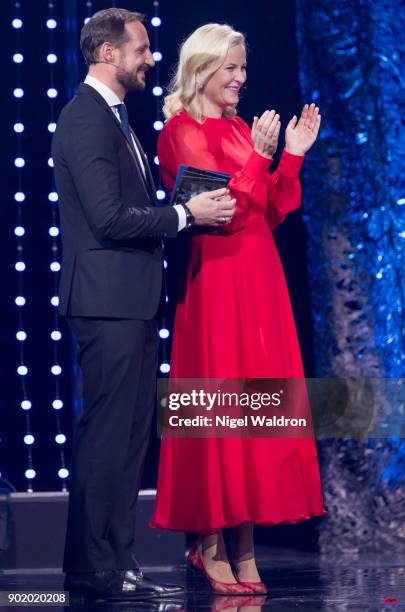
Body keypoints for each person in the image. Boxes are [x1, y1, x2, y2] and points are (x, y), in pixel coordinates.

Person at [52, 9, 235, 602]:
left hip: (131, 300)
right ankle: (91, 569)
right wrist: (187, 215)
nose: (150, 58)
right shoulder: (85, 119)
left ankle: (118, 562)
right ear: (108, 54)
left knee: (129, 438)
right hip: (106, 304)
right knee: (106, 438)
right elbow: (107, 217)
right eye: (142, 49)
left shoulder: (116, 118)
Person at [150, 23, 327, 595]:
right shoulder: (179, 132)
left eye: (244, 68)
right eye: (231, 67)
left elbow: (267, 210)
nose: (241, 79)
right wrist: (260, 157)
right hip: (216, 281)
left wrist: (291, 158)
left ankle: (245, 547)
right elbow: (223, 207)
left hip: (259, 275)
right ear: (202, 69)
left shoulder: (236, 129)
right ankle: (208, 542)